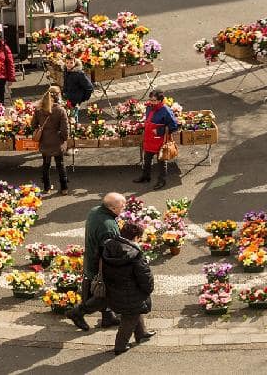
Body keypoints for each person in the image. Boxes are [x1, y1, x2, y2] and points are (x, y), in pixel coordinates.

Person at [67, 192, 127, 331]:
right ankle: (77, 313)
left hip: (91, 258)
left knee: (102, 291)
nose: (124, 207)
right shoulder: (108, 227)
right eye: (122, 205)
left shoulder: (95, 211)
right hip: (101, 265)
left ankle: (108, 317)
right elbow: (112, 251)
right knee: (103, 293)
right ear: (112, 209)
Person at [100, 219, 156, 355]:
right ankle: (120, 345)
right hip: (132, 293)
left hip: (114, 290)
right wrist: (148, 289)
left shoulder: (109, 246)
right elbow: (145, 277)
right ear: (136, 237)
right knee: (129, 318)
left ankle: (141, 333)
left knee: (135, 312)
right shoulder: (135, 255)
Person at [134, 90, 180, 191]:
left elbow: (174, 126)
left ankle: (161, 181)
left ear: (160, 100)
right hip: (149, 139)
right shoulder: (149, 107)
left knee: (161, 161)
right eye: (150, 100)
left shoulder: (166, 110)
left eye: (154, 100)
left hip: (160, 140)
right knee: (147, 159)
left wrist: (158, 130)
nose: (151, 102)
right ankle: (146, 176)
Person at [35, 85, 70, 194]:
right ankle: (64, 188)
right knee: (60, 164)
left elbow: (33, 124)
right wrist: (64, 139)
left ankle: (46, 187)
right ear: (58, 96)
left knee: (46, 164)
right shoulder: (60, 110)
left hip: (44, 141)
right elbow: (65, 129)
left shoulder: (39, 109)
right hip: (57, 141)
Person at [62, 57, 95, 122]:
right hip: (68, 98)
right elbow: (66, 84)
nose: (69, 64)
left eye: (71, 63)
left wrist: (83, 98)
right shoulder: (66, 71)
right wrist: (64, 92)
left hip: (75, 100)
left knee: (73, 117)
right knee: (69, 117)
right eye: (67, 63)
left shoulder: (79, 74)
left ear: (75, 63)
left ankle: (75, 127)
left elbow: (89, 87)